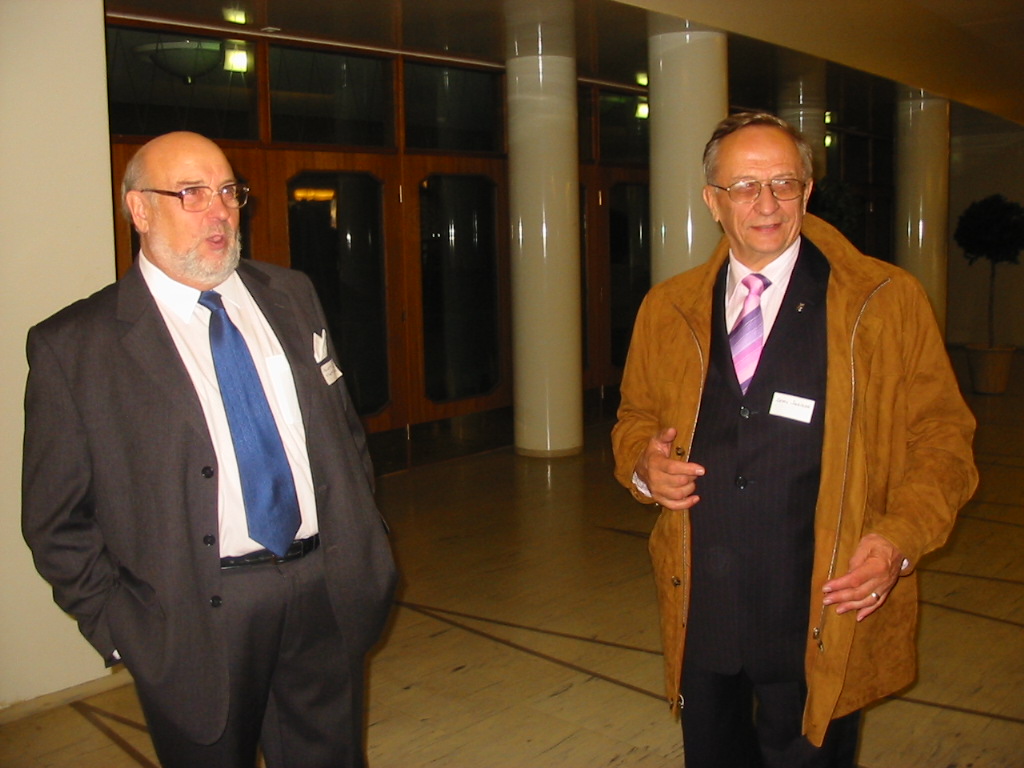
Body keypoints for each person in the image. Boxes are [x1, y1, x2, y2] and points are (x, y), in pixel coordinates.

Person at [612, 113, 978, 767]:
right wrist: (643, 465)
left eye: (784, 183)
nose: (767, 203)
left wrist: (898, 540)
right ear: (712, 201)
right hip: (703, 607)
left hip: (822, 606)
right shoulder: (667, 309)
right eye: (744, 186)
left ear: (807, 192)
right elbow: (634, 416)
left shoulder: (884, 301)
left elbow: (943, 440)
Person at [22, 131, 398, 768]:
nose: (219, 211)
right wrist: (123, 631)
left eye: (228, 191)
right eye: (191, 194)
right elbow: (55, 522)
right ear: (140, 210)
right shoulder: (77, 346)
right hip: (195, 617)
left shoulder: (292, 294)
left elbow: (343, 435)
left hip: (323, 590)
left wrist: (366, 542)